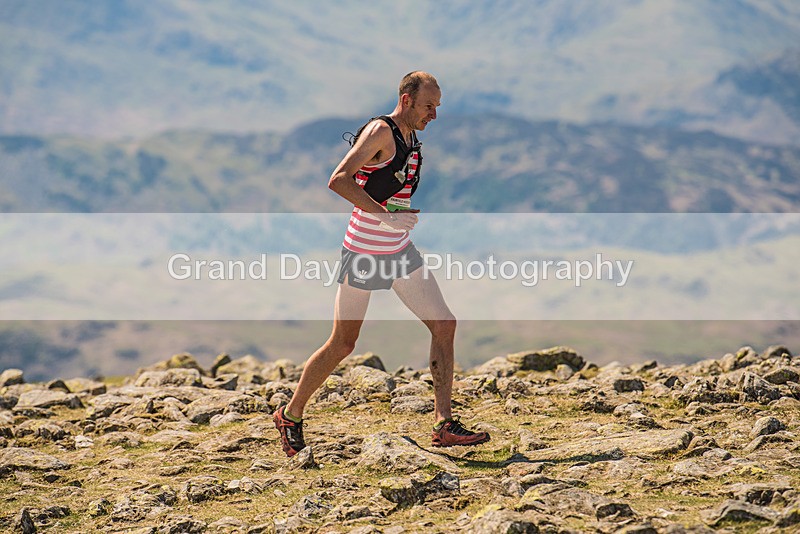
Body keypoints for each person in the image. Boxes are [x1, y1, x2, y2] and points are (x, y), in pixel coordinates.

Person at [273, 71, 490, 457]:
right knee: (343, 343)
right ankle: (290, 415)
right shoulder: (380, 131)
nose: (434, 115)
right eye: (428, 106)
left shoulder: (411, 137)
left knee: (444, 324)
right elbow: (339, 179)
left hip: (399, 250)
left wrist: (395, 217)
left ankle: (443, 424)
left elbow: (390, 187)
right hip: (365, 252)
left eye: (437, 107)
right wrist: (385, 216)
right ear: (406, 100)